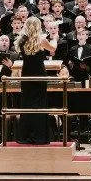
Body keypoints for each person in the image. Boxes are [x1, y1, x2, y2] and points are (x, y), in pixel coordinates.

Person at [15, 16, 58, 145]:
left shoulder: (21, 40)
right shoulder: (41, 40)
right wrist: (54, 39)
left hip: (26, 75)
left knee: (27, 104)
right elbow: (53, 49)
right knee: (39, 105)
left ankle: (25, 135)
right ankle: (39, 136)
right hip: (39, 75)